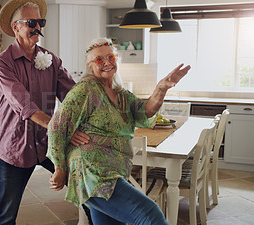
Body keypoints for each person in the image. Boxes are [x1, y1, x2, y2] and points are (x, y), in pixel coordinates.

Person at [47, 37, 191, 225]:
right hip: (92, 172)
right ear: (90, 66)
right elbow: (58, 126)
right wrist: (60, 168)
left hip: (114, 170)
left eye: (111, 57)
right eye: (99, 60)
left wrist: (161, 88)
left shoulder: (121, 94)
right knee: (150, 214)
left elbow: (145, 110)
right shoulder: (85, 90)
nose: (107, 63)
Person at [0, 0, 90, 224]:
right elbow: (24, 105)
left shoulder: (51, 59)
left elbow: (73, 96)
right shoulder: (3, 63)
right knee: (5, 215)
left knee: (89, 192)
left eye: (41, 22)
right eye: (31, 22)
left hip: (48, 143)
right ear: (16, 27)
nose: (38, 27)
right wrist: (62, 127)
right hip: (14, 148)